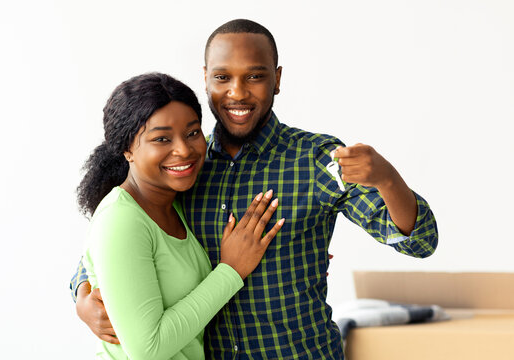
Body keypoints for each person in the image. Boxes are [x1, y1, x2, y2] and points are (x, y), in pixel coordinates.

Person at [71, 20, 438, 359]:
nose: (237, 92)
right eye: (222, 77)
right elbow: (117, 248)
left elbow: (419, 242)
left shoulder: (316, 160)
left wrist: (388, 179)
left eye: (255, 77)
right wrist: (82, 295)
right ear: (206, 80)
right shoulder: (181, 168)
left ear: (277, 80)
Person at [76, 72, 285, 359]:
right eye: (161, 138)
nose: (184, 150)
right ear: (127, 149)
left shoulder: (176, 202)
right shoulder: (120, 220)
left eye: (192, 133)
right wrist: (231, 270)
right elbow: (148, 349)